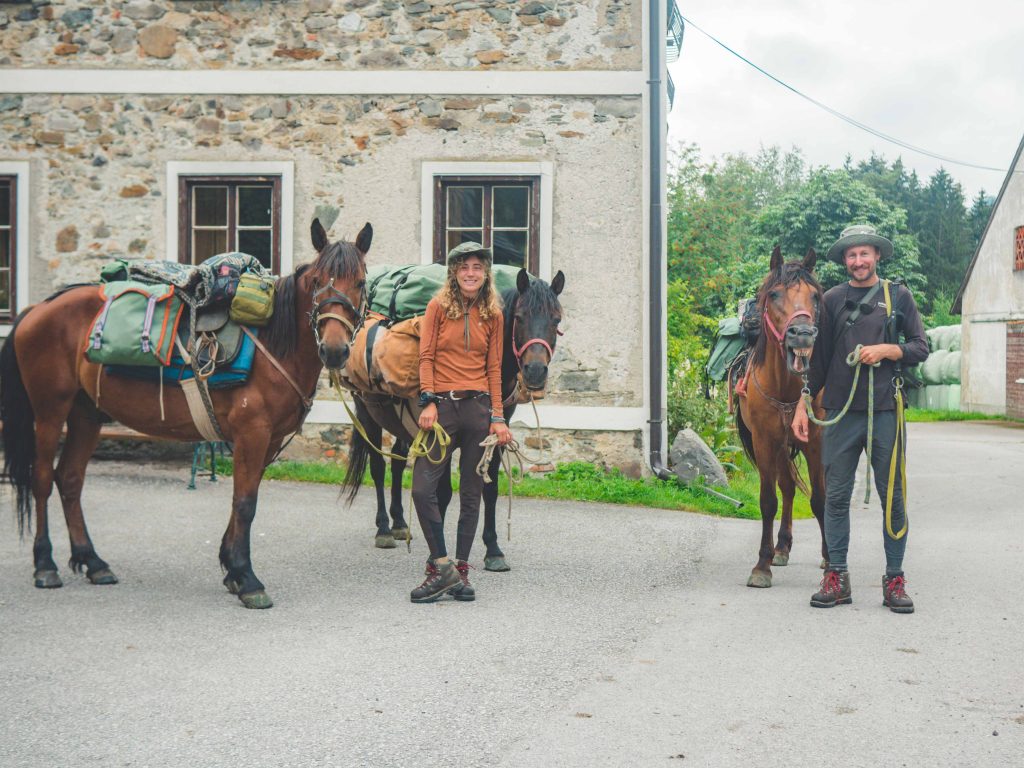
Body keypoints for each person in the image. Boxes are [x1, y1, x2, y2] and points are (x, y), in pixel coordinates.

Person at [792, 224, 929, 613]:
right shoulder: (832, 299)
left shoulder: (898, 295)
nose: (858, 261)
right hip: (840, 412)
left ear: (877, 256)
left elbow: (921, 346)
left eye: (864, 253)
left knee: (892, 497)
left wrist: (888, 349)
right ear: (845, 261)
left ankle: (895, 579)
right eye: (851, 255)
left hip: (887, 409)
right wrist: (803, 405)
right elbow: (817, 362)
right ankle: (837, 578)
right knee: (835, 496)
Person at [409, 242, 512, 603]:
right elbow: (426, 357)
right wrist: (428, 400)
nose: (471, 273)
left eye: (478, 267)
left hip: (478, 411)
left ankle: (461, 570)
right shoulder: (437, 307)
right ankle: (441, 565)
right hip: (442, 411)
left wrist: (498, 417)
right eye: (465, 266)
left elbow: (495, 369)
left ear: (486, 274)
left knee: (472, 494)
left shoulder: (494, 314)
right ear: (454, 272)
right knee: (423, 489)